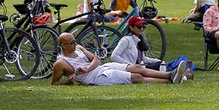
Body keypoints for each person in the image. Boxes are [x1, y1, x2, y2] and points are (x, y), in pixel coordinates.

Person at [51, 32, 186, 85]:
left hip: (101, 68)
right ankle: (171, 80)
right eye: (72, 42)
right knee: (136, 77)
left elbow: (96, 59)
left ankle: (170, 74)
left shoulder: (79, 48)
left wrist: (86, 69)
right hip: (96, 78)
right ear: (64, 45)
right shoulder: (61, 63)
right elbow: (54, 83)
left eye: (75, 41)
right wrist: (68, 83)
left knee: (137, 68)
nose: (75, 44)